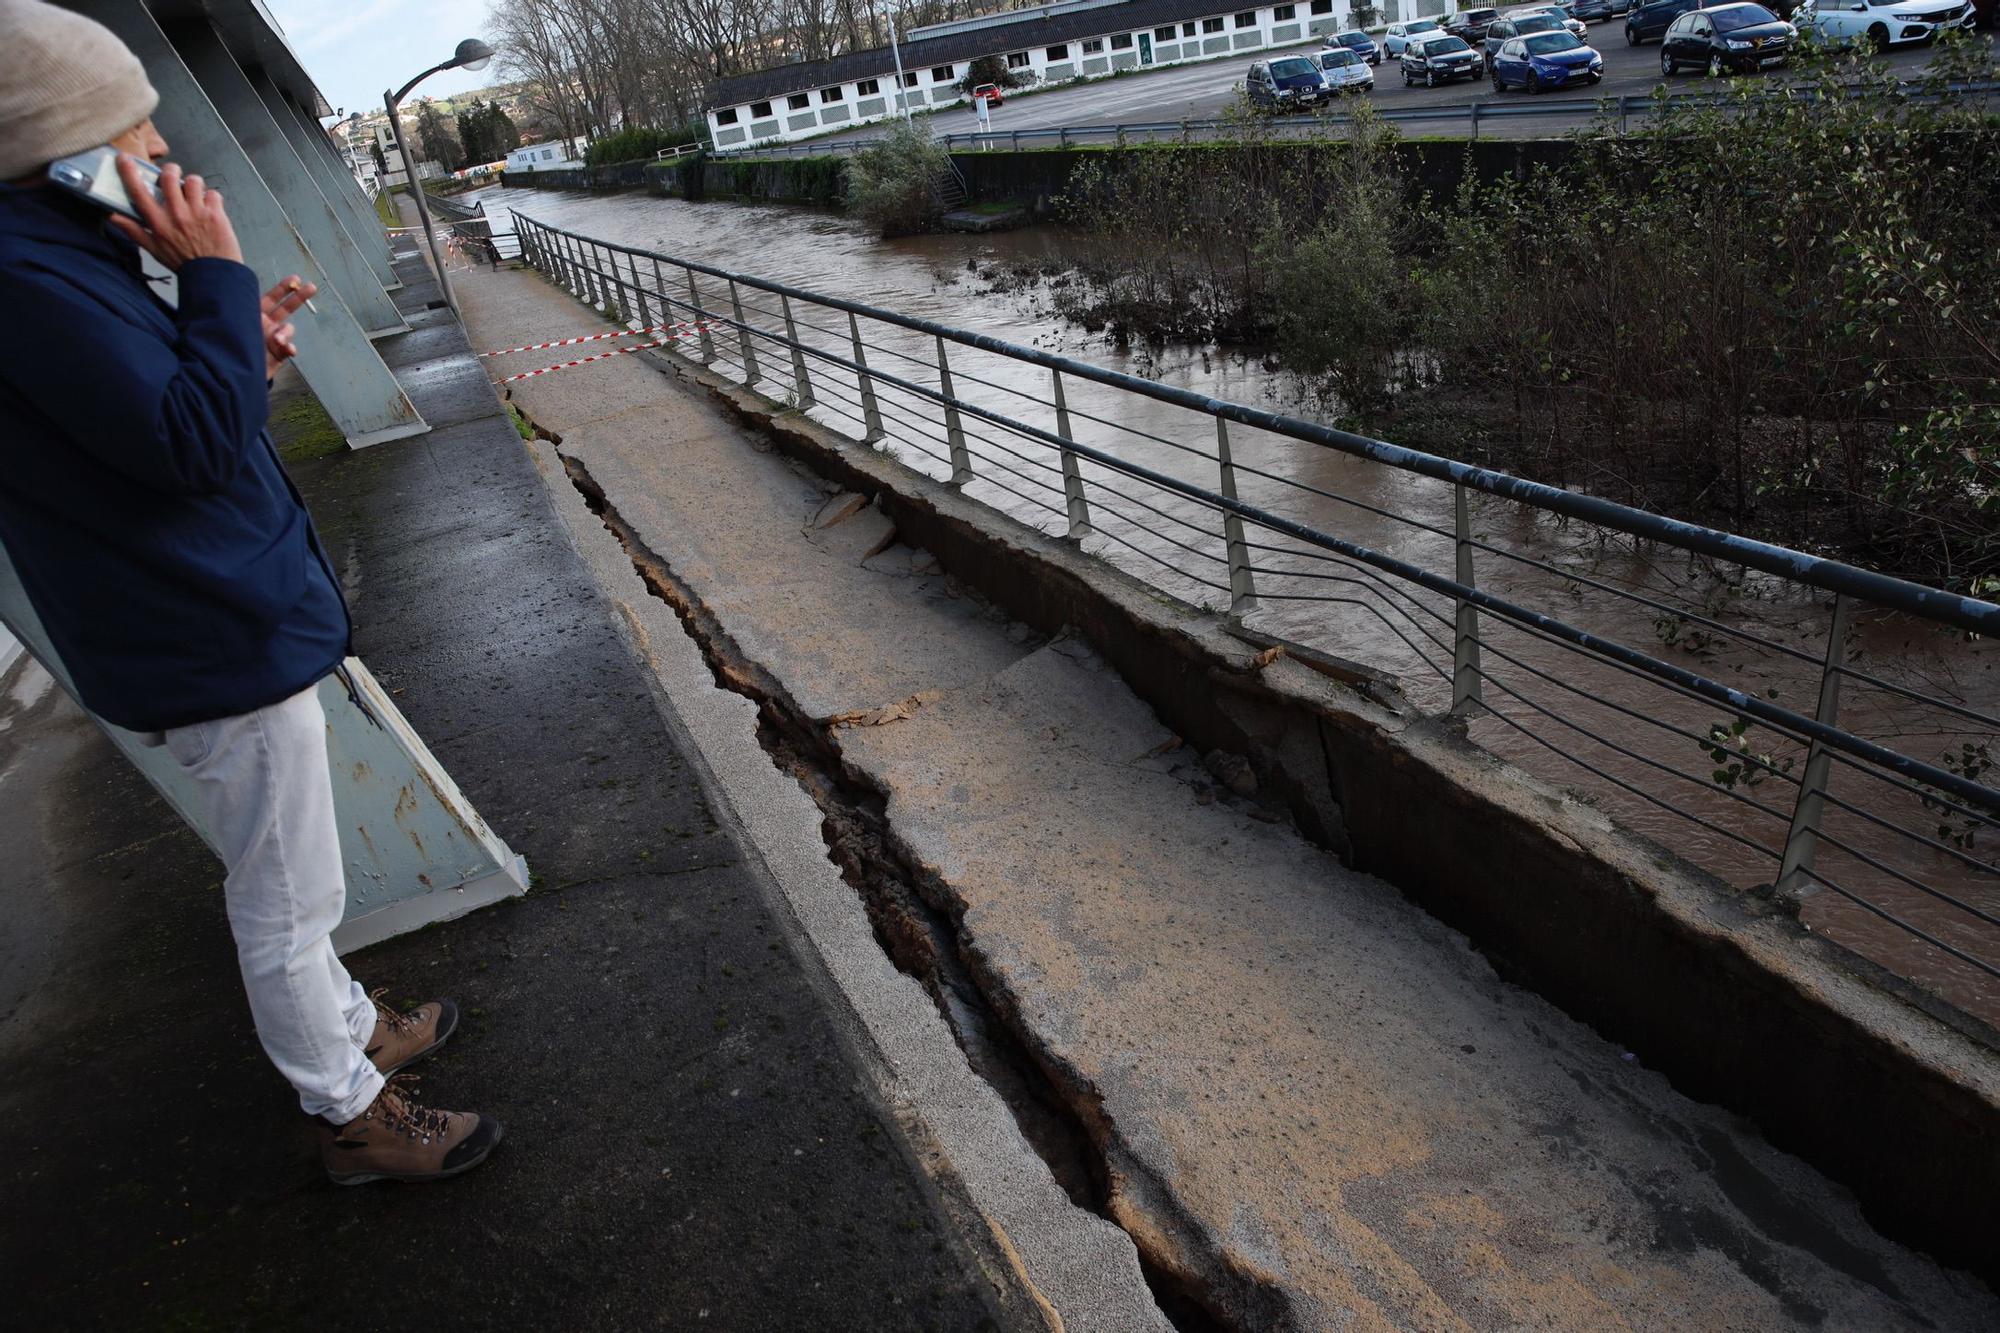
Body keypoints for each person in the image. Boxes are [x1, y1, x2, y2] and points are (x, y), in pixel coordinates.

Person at [0, 0, 501, 1183]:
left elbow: (156, 429)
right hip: (197, 626)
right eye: (140, 141)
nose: (168, 163)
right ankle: (350, 1113)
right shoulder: (25, 276)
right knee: (288, 898)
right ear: (56, 150)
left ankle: (349, 1035)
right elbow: (185, 452)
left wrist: (242, 342)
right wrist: (218, 282)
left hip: (196, 614)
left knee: (291, 875)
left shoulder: (54, 255)